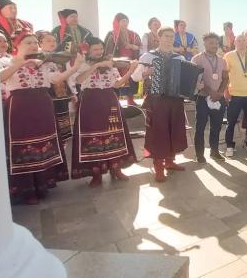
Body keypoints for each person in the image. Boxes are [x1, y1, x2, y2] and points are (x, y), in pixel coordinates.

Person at [0, 33, 83, 204]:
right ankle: (27, 189)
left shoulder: (44, 63)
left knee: (43, 143)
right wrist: (21, 62)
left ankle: (43, 184)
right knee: (24, 145)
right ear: (17, 46)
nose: (33, 45)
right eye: (28, 42)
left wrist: (76, 67)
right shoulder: (6, 61)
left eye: (35, 42)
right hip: (19, 108)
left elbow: (56, 79)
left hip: (43, 105)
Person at [72, 38, 139, 186]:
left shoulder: (110, 65)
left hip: (109, 100)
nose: (99, 52)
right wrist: (96, 65)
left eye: (101, 49)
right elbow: (78, 80)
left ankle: (116, 169)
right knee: (93, 136)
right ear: (88, 50)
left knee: (114, 134)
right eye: (95, 49)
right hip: (90, 102)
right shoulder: (82, 64)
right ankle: (96, 173)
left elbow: (117, 83)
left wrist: (131, 70)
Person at [131, 27, 189, 182]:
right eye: (166, 36)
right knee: (158, 132)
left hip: (175, 100)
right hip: (156, 99)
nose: (169, 39)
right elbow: (135, 77)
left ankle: (170, 162)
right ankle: (158, 167)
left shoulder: (180, 58)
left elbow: (185, 78)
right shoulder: (148, 56)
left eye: (172, 37)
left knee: (174, 130)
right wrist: (146, 73)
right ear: (159, 37)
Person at [191, 33, 228, 163]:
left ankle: (214, 151)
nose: (214, 45)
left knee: (216, 126)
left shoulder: (222, 60)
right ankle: (199, 155)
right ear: (205, 44)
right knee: (200, 127)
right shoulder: (197, 59)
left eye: (216, 43)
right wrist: (210, 91)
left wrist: (220, 92)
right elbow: (195, 79)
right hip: (202, 98)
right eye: (211, 43)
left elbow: (225, 78)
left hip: (218, 98)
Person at [223, 34, 247, 157]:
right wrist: (226, 92)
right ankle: (229, 146)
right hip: (234, 94)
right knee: (231, 121)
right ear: (235, 43)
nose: (241, 43)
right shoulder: (228, 56)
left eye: (243, 41)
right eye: (238, 41)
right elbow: (225, 76)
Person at [37, 31, 76, 144]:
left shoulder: (60, 58)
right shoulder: (38, 58)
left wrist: (72, 92)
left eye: (54, 40)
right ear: (40, 43)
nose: (52, 43)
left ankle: (62, 149)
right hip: (47, 96)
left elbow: (66, 77)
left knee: (63, 127)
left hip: (61, 96)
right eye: (48, 40)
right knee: (50, 124)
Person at [105, 13, 142, 105]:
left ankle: (130, 100)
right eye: (122, 21)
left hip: (131, 61)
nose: (125, 23)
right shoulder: (112, 34)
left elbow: (140, 47)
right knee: (116, 81)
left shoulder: (134, 35)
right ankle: (116, 101)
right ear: (117, 22)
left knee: (131, 80)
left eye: (126, 21)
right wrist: (110, 59)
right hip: (117, 63)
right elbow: (107, 49)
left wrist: (132, 46)